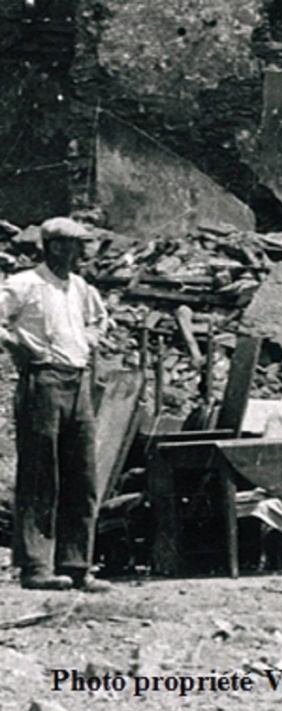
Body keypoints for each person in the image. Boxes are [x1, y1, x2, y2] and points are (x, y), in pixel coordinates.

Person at [0, 217, 110, 591]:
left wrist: (88, 340)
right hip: (42, 380)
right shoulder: (24, 284)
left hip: (78, 382)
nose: (80, 253)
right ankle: (36, 567)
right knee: (40, 474)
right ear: (54, 246)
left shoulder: (80, 287)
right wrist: (21, 345)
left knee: (82, 474)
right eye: (74, 245)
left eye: (83, 245)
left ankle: (76, 564)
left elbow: (99, 320)